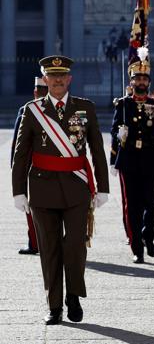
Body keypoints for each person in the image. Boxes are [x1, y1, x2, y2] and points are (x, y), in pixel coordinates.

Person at [11, 55, 109, 325]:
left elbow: (97, 151)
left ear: (69, 79)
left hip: (77, 187)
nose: (56, 80)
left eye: (61, 75)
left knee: (76, 245)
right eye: (51, 76)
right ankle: (54, 306)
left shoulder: (84, 108)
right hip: (42, 188)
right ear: (45, 79)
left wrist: (103, 187)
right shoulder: (32, 111)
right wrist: (18, 191)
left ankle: (73, 295)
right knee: (49, 248)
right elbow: (21, 154)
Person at [110, 48, 154, 264]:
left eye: (145, 78)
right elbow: (113, 131)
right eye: (138, 78)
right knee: (132, 206)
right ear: (132, 80)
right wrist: (114, 154)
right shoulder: (123, 104)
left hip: (151, 159)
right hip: (128, 160)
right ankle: (137, 248)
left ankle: (148, 236)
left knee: (152, 204)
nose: (142, 82)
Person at [11, 77, 49, 255]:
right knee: (30, 207)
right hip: (31, 165)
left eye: (43, 91)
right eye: (39, 91)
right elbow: (17, 143)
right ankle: (35, 242)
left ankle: (39, 242)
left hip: (47, 164)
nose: (41, 94)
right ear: (35, 92)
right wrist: (15, 165)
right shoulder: (25, 110)